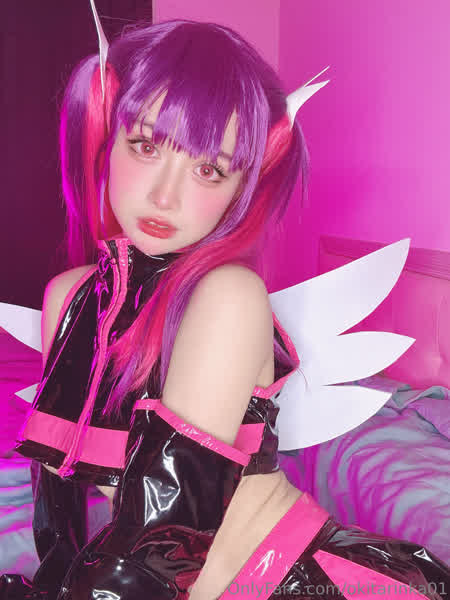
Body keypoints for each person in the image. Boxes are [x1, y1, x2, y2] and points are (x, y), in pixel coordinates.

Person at [1, 12, 449, 600]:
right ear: (107, 139)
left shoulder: (229, 296)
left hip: (293, 582)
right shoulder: (69, 295)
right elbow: (58, 510)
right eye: (146, 145)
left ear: (242, 189)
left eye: (209, 169)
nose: (166, 195)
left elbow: (160, 542)